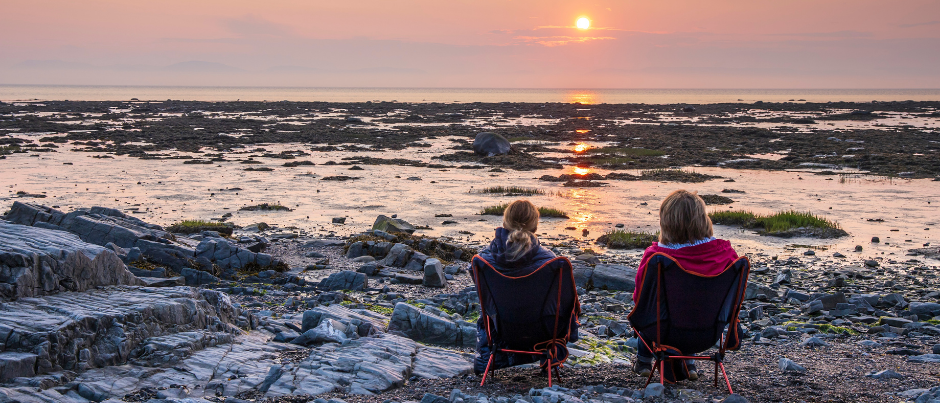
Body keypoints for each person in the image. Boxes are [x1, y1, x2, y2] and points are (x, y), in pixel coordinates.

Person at [631, 190, 740, 380]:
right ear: (703, 220)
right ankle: (689, 363)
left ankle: (643, 362)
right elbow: (734, 302)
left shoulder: (657, 258)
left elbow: (640, 300)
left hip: (665, 332)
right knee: (697, 306)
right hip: (709, 333)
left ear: (666, 222)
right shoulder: (727, 256)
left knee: (653, 312)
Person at [471, 200, 580, 374]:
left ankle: (491, 359)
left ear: (505, 223)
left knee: (485, 316)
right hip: (543, 334)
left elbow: (485, 300)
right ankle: (548, 361)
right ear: (535, 227)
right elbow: (567, 306)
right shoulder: (551, 262)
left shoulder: (483, 261)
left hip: (503, 330)